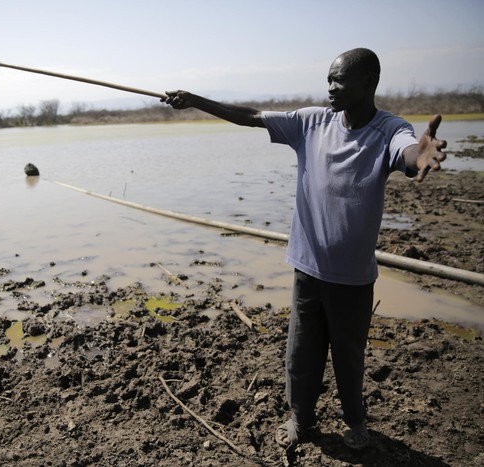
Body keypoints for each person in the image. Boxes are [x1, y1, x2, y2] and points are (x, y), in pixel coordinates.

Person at [163, 48, 447, 450]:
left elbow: (408, 152)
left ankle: (355, 422)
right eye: (328, 79)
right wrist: (195, 101)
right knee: (301, 353)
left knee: (348, 357)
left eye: (339, 80)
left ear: (369, 83)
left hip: (351, 278)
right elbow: (251, 116)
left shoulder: (388, 129)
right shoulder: (311, 122)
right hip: (307, 269)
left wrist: (423, 156)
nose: (330, 87)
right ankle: (301, 418)